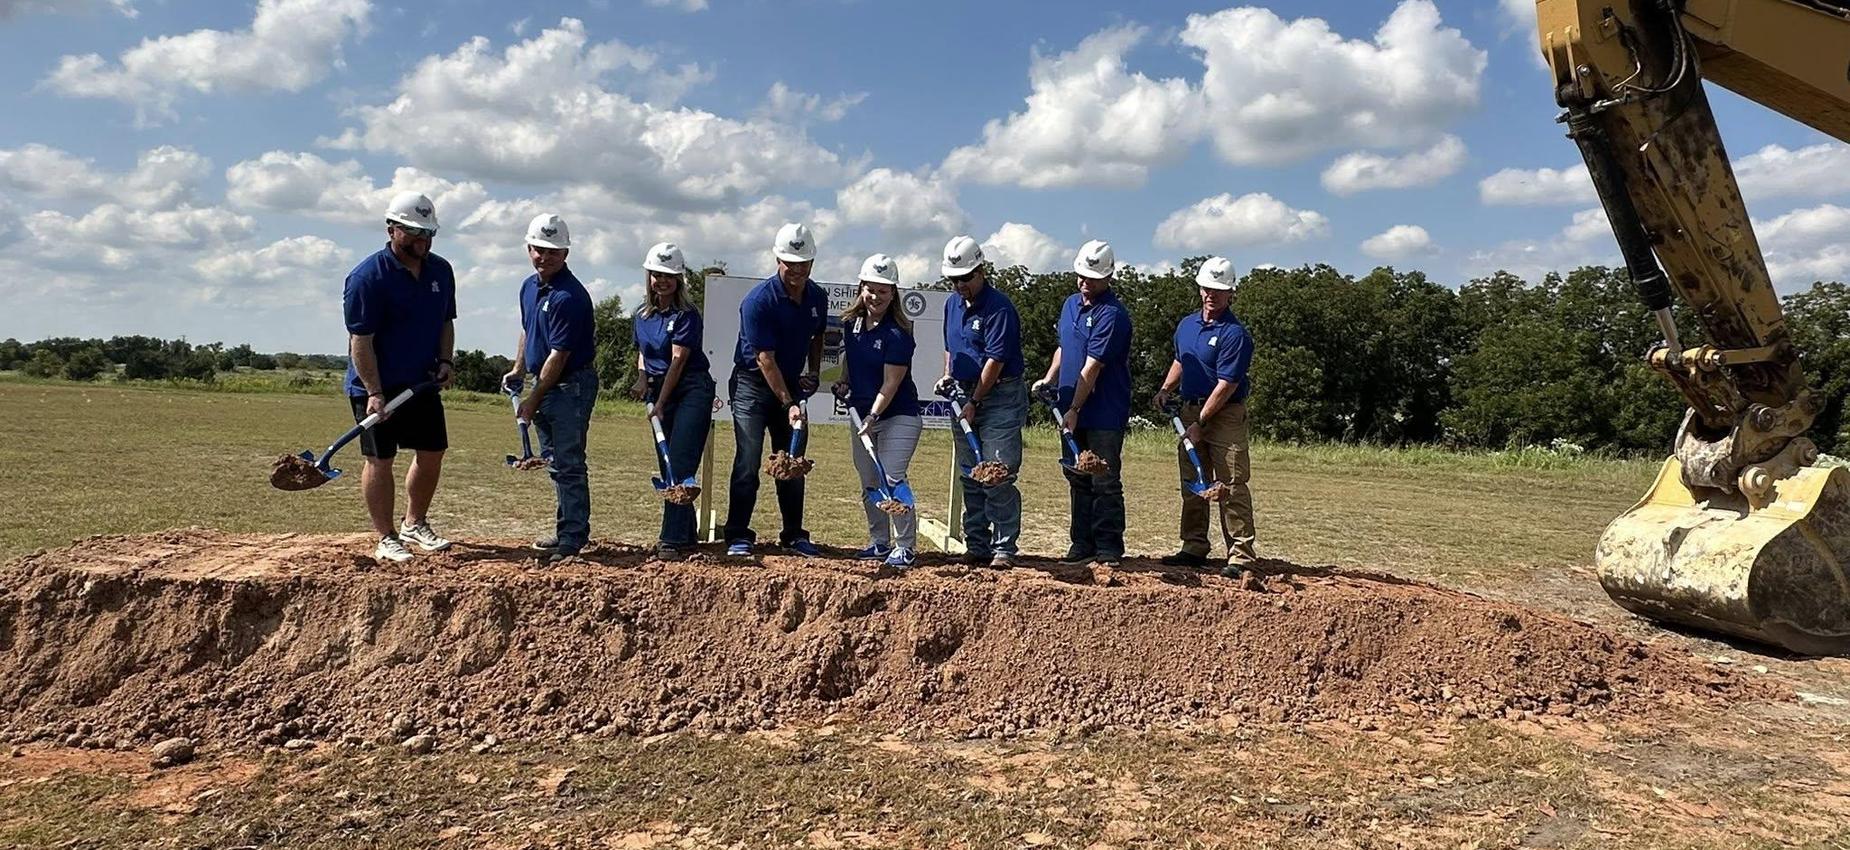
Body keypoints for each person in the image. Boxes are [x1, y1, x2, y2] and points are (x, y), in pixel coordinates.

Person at [342, 191, 456, 564]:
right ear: (392, 229)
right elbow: (361, 341)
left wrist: (445, 360)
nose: (423, 241)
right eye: (414, 233)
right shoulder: (366, 277)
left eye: (429, 233)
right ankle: (386, 536)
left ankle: (414, 523)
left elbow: (445, 322)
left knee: (432, 452)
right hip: (375, 386)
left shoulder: (441, 271)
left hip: (420, 383)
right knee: (380, 458)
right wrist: (374, 392)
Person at [724, 222, 828, 559]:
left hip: (791, 384)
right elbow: (764, 359)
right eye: (790, 263)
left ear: (811, 263)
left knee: (794, 462)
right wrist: (789, 403)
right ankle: (738, 534)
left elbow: (818, 336)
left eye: (803, 263)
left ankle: (794, 535)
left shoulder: (817, 297)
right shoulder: (758, 301)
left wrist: (813, 372)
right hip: (752, 385)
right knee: (748, 462)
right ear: (777, 260)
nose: (797, 270)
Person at [500, 214, 598, 564]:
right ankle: (566, 528)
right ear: (529, 248)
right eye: (539, 250)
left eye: (553, 252)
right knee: (556, 462)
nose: (545, 257)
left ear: (566, 253)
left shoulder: (569, 297)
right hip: (546, 383)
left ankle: (572, 537)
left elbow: (559, 355)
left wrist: (532, 398)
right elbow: (529, 331)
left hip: (570, 386)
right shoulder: (529, 287)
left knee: (568, 462)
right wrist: (518, 367)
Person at [1154, 256, 1258, 577]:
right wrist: (1165, 389)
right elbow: (1181, 360)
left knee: (1230, 484)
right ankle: (1194, 546)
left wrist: (1200, 423)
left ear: (1231, 294)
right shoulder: (1187, 325)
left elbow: (1226, 386)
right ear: (1200, 288)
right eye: (1207, 288)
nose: (1212, 295)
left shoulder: (1235, 335)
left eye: (1219, 290)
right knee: (1194, 482)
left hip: (1225, 414)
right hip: (1189, 407)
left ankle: (1240, 555)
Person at [1033, 239, 1132, 568]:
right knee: (1077, 476)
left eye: (1091, 277)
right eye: (1080, 275)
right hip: (1068, 405)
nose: (1084, 282)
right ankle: (1081, 543)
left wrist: (1074, 410)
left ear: (1108, 277)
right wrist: (1049, 379)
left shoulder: (1112, 315)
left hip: (1102, 410)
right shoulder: (1070, 305)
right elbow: (1064, 348)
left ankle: (1108, 547)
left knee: (1103, 478)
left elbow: (1092, 369)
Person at [936, 235, 1027, 568]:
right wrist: (949, 376)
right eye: (953, 279)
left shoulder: (1000, 308)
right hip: (962, 391)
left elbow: (995, 361)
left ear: (981, 271)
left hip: (998, 394)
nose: (959, 285)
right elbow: (951, 345)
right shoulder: (951, 304)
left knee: (996, 470)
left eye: (965, 278)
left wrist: (975, 400)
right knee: (970, 471)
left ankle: (1004, 547)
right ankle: (977, 543)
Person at [833, 253, 923, 570]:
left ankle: (905, 547)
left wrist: (873, 416)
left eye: (883, 291)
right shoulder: (851, 325)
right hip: (862, 416)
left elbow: (891, 383)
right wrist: (844, 381)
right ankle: (879, 542)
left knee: (892, 476)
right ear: (862, 288)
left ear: (893, 294)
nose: (876, 297)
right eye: (871, 289)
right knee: (869, 480)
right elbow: (851, 361)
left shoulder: (898, 334)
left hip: (898, 415)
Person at [630, 241, 714, 560]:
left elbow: (678, 362)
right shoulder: (642, 315)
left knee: (678, 463)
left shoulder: (687, 315)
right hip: (657, 390)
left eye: (669, 275)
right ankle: (688, 535)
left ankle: (671, 539)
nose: (662, 281)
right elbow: (643, 353)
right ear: (649, 276)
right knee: (668, 464)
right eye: (657, 274)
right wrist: (642, 380)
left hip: (690, 389)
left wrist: (661, 402)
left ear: (679, 279)